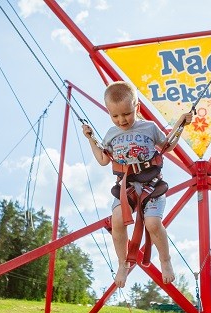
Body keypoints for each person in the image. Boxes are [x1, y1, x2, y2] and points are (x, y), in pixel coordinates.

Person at [82, 81, 192, 288]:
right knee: (116, 221)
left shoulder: (149, 127)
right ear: (109, 113)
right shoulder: (110, 135)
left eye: (126, 113)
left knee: (152, 223)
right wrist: (90, 139)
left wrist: (180, 125)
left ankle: (165, 260)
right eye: (115, 116)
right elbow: (104, 160)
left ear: (137, 108)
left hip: (151, 186)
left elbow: (166, 145)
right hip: (127, 188)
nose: (121, 120)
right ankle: (123, 263)